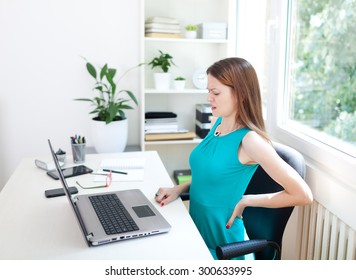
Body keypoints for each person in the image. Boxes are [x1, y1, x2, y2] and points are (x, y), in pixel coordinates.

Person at [154, 57, 313, 260]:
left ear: (240, 93)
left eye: (216, 92)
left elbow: (303, 195)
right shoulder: (218, 123)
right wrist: (178, 188)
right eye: (208, 91)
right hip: (197, 238)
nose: (209, 98)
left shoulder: (250, 141)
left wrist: (248, 200)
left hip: (225, 251)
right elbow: (212, 173)